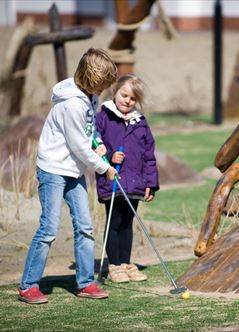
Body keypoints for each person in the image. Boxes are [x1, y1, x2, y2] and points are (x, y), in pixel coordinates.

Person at [18, 48, 119, 304]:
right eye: (103, 84)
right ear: (92, 79)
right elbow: (78, 146)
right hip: (53, 169)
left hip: (73, 170)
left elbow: (89, 129)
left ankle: (85, 283)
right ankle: (28, 285)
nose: (104, 90)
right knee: (49, 227)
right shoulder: (72, 103)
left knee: (84, 226)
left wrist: (97, 140)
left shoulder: (89, 97)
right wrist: (104, 167)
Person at [95, 74, 159, 283]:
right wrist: (110, 155)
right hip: (112, 179)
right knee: (114, 221)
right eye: (124, 95)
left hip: (134, 182)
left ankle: (125, 262)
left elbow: (149, 154)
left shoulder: (140, 121)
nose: (127, 101)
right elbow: (94, 142)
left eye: (132, 98)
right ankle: (114, 265)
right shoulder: (103, 116)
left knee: (127, 223)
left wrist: (151, 183)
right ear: (115, 93)